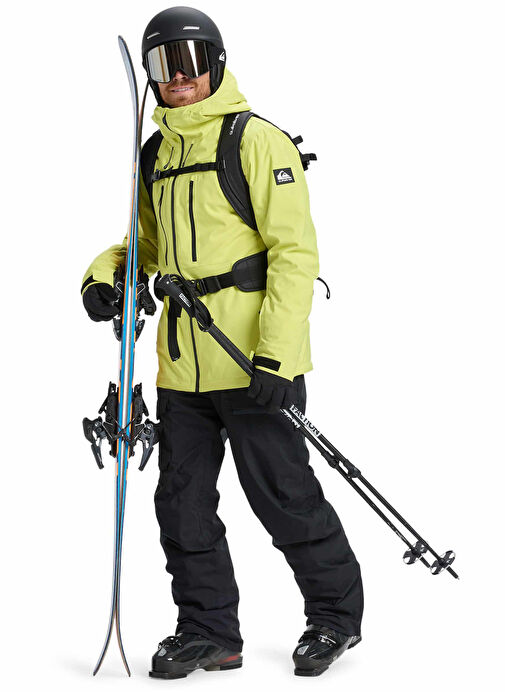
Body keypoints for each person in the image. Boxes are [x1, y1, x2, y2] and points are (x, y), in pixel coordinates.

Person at [81, 6, 364, 679]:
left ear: (214, 61)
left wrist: (276, 356)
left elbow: (294, 256)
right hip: (183, 366)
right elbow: (145, 244)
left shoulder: (256, 141)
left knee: (283, 497)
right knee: (181, 505)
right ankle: (208, 630)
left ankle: (334, 617)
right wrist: (104, 278)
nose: (176, 76)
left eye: (188, 60)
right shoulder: (156, 154)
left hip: (252, 361)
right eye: (162, 65)